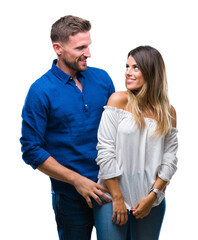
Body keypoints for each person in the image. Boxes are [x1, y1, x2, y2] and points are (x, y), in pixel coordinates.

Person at [20, 15, 115, 240]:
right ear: (58, 48)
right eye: (80, 48)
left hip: (111, 189)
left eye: (88, 46)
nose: (88, 53)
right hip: (70, 198)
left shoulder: (102, 79)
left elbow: (120, 131)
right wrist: (76, 180)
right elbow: (31, 149)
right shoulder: (40, 91)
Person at [93, 46, 178, 240]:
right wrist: (117, 198)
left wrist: (153, 196)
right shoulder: (118, 101)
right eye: (127, 66)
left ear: (151, 72)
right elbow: (105, 152)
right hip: (111, 197)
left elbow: (170, 159)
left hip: (150, 201)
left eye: (135, 67)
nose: (128, 72)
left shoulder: (168, 112)